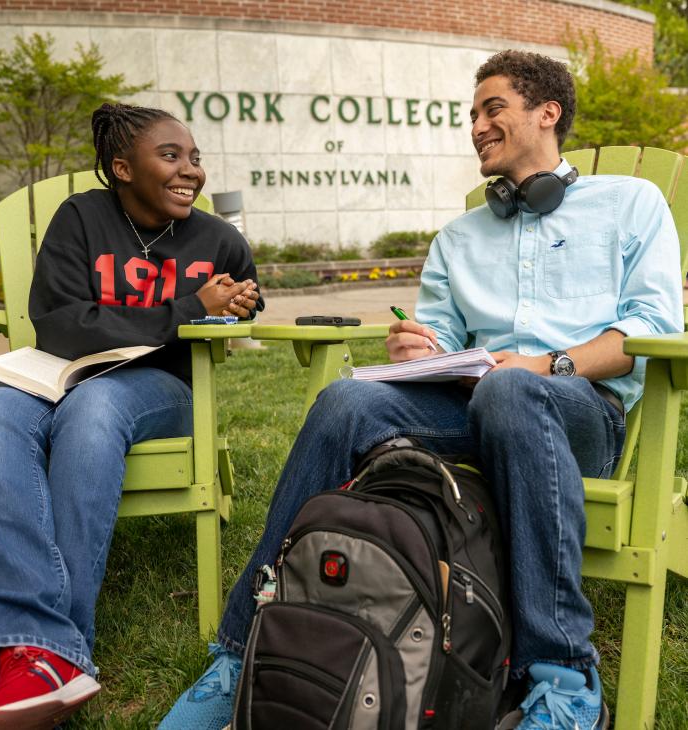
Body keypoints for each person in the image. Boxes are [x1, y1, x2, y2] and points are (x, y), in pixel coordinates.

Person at [161, 50, 683, 730]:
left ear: (547, 112)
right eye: (472, 115)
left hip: (578, 413)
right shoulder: (460, 236)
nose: (477, 126)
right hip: (476, 407)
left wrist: (540, 366)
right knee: (347, 401)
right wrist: (417, 348)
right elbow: (435, 336)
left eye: (493, 108)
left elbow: (648, 329)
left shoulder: (630, 202)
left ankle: (564, 677)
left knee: (508, 393)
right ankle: (240, 649)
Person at [0, 102, 262, 729]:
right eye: (171, 156)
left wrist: (237, 303)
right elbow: (61, 323)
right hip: (54, 372)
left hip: (155, 390)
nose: (191, 171)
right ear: (122, 167)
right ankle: (37, 655)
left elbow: (244, 301)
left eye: (195, 157)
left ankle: (46, 656)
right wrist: (180, 309)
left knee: (92, 413)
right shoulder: (80, 219)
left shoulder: (218, 239)